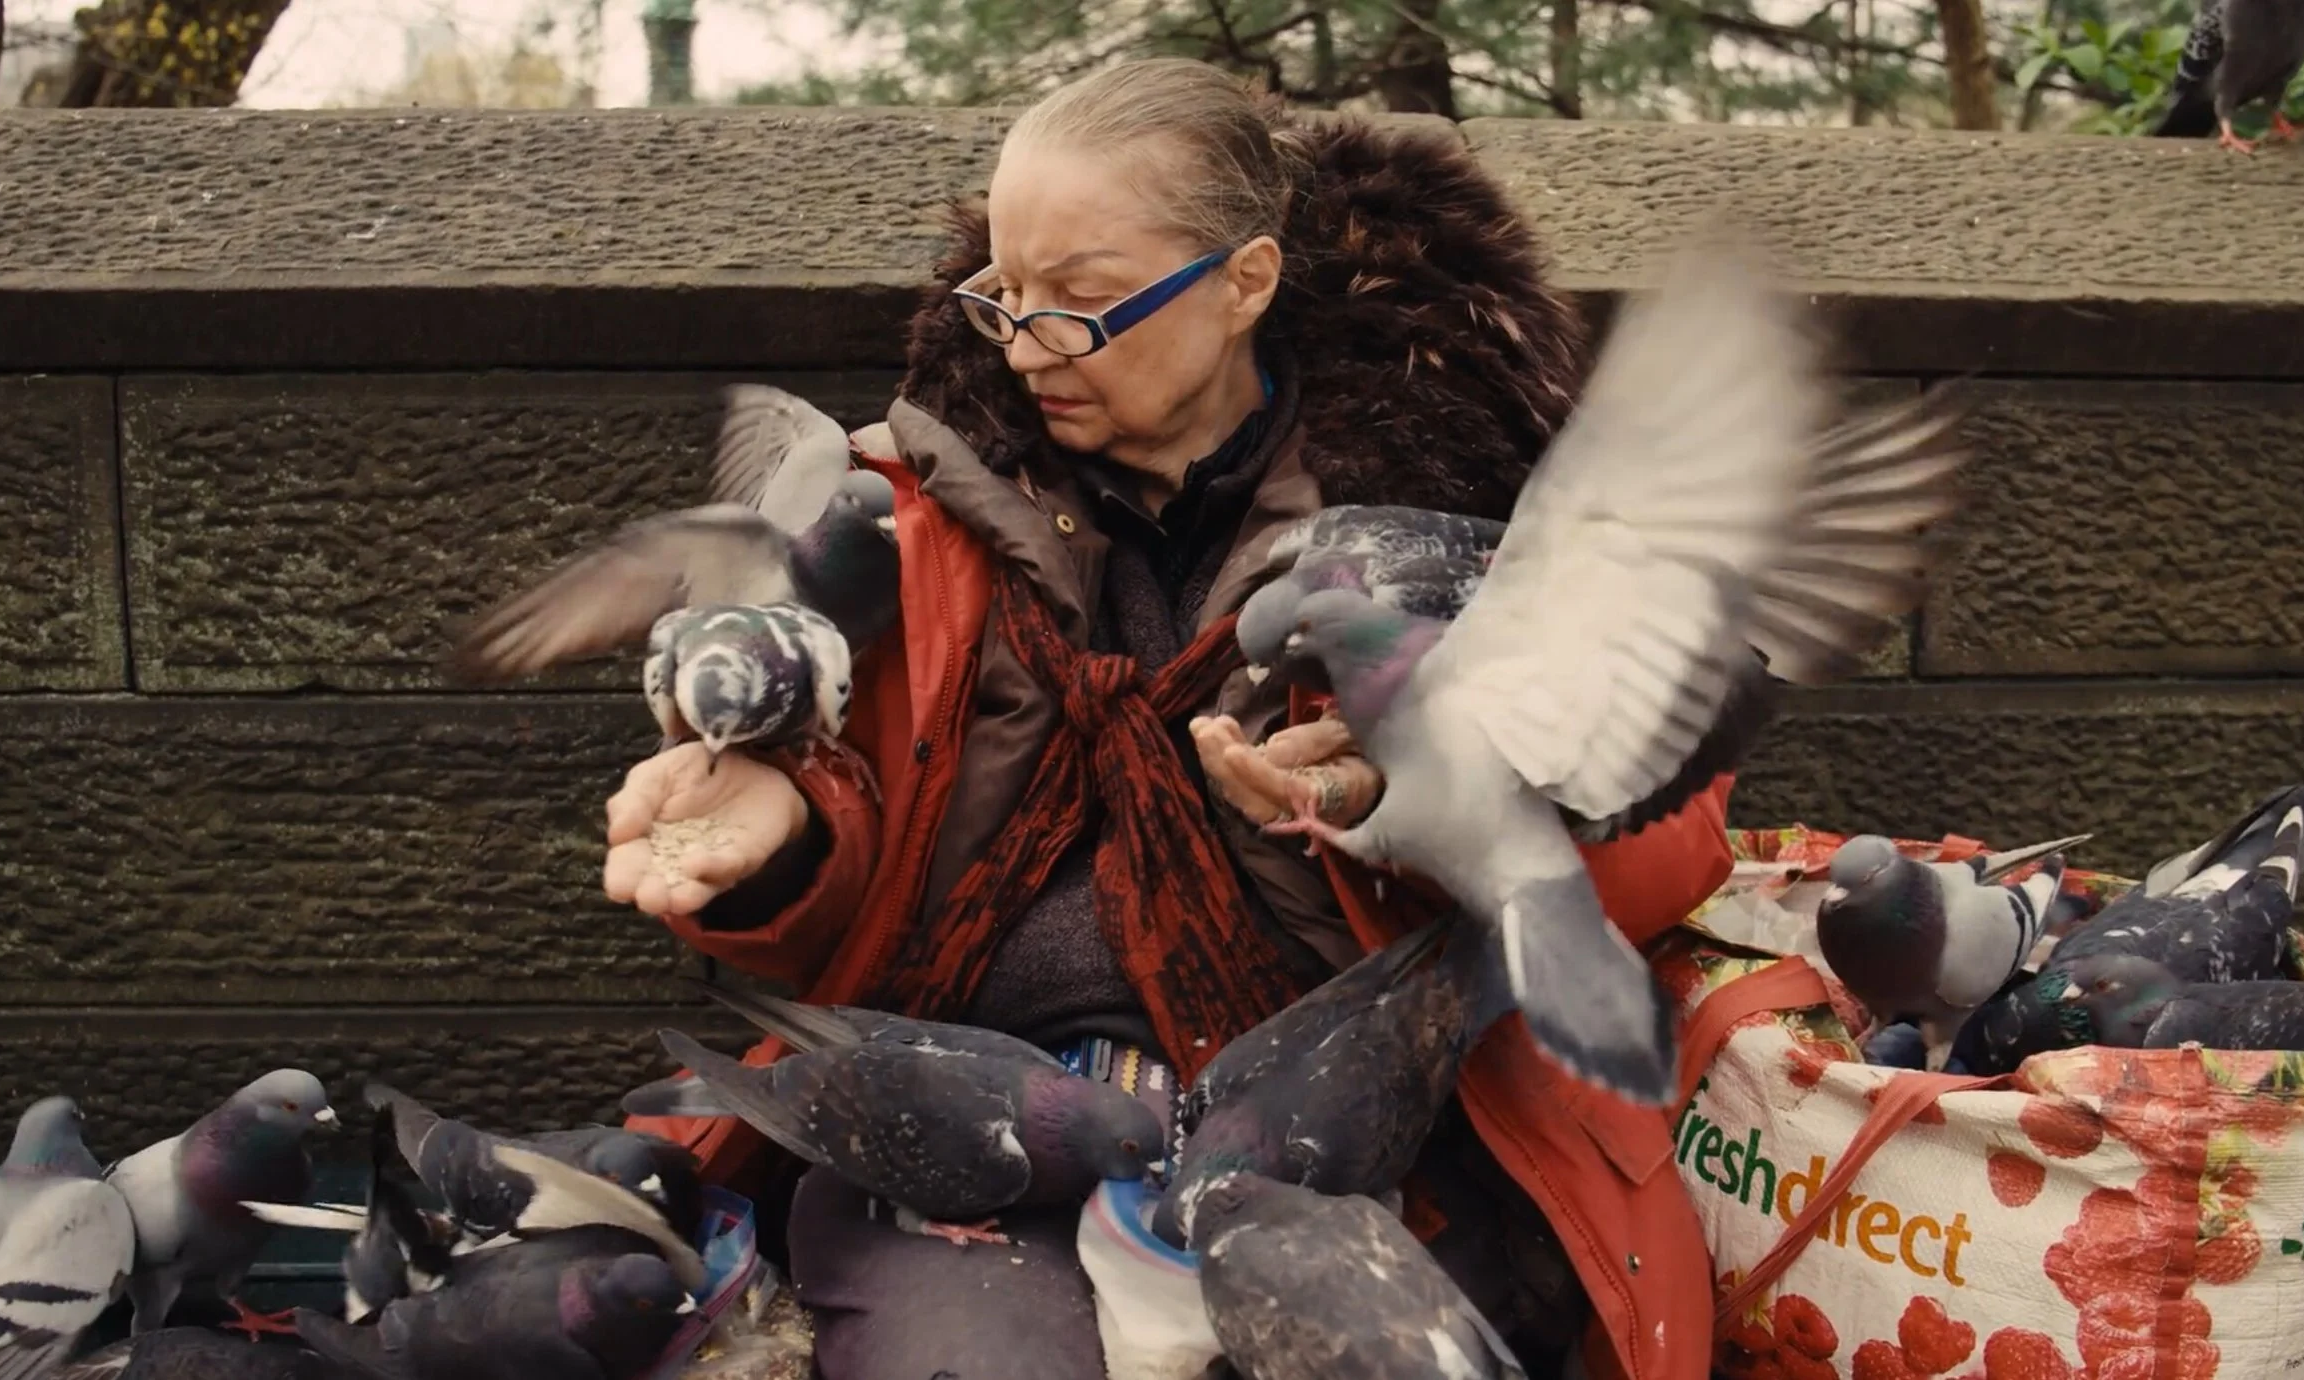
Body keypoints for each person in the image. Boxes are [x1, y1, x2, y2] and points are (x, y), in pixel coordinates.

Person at [611, 57, 1739, 1380]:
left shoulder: (1454, 514)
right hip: (976, 1117)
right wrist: (789, 837)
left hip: (1365, 1126)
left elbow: (1674, 843)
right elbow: (848, 866)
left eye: (1082, 304)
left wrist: (1428, 800)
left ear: (1245, 281)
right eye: (1005, 298)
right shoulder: (902, 511)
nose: (1026, 347)